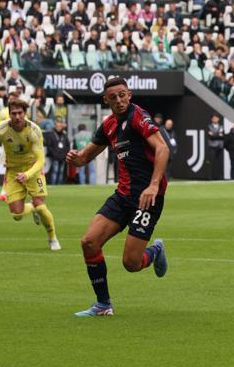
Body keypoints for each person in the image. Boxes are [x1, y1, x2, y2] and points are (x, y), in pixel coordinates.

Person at [65, 77, 169, 317]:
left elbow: (162, 148)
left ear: (129, 95)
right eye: (113, 97)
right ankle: (103, 304)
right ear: (106, 100)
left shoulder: (138, 117)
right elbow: (85, 157)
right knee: (89, 242)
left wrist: (153, 185)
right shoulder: (109, 124)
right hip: (123, 196)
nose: (119, 100)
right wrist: (75, 158)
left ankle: (155, 251)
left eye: (123, 95)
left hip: (147, 199)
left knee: (131, 264)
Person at [0, 99, 60, 250]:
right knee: (16, 214)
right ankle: (32, 208)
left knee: (41, 206)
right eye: (14, 113)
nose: (17, 117)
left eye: (20, 113)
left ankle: (52, 238)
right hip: (13, 170)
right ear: (9, 114)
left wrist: (27, 174)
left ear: (25, 113)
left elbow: (40, 160)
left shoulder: (34, 130)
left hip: (33, 169)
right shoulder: (0, 129)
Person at [45, 120, 70, 185]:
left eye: (60, 126)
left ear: (62, 127)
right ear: (55, 126)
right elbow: (49, 146)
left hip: (63, 157)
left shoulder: (64, 135)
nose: (59, 127)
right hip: (55, 157)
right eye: (57, 126)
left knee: (61, 172)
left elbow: (67, 146)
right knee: (55, 171)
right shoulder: (51, 135)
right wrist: (54, 155)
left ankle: (59, 185)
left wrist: (65, 155)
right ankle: (53, 185)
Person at [206, 113, 225, 180]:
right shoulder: (209, 126)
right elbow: (211, 136)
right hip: (212, 146)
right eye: (214, 118)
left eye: (216, 118)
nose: (215, 119)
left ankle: (220, 177)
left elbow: (222, 136)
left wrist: (215, 135)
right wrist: (218, 135)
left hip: (220, 146)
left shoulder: (221, 126)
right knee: (211, 162)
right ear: (212, 119)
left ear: (218, 119)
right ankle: (210, 177)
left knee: (220, 163)